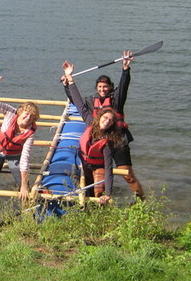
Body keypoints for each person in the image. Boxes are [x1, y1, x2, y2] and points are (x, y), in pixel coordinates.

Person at [67, 51, 144, 199]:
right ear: (96, 88)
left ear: (110, 87)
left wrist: (125, 69)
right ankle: (96, 200)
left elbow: (123, 87)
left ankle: (141, 200)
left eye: (105, 87)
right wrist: (68, 82)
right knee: (97, 177)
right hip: (101, 143)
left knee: (128, 175)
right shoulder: (91, 101)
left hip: (118, 142)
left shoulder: (116, 99)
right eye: (100, 87)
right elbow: (76, 100)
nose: (103, 90)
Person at [61, 61, 125, 203]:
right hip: (85, 162)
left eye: (110, 121)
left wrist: (108, 194)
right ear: (100, 116)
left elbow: (109, 170)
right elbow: (77, 101)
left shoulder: (107, 144)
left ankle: (101, 208)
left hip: (98, 166)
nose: (107, 121)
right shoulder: (90, 120)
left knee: (98, 192)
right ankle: (87, 210)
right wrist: (69, 79)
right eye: (105, 118)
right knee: (87, 190)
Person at [0, 73, 40, 219]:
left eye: (31, 117)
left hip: (14, 155)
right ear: (20, 112)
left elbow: (25, 159)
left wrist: (24, 186)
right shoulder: (10, 112)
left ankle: (28, 213)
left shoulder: (30, 133)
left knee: (23, 183)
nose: (27, 119)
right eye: (26, 115)